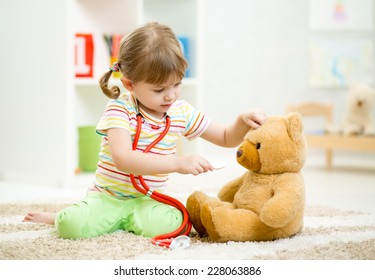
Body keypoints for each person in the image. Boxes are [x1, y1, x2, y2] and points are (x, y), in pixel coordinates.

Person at [23, 22, 266, 239]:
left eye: (177, 84)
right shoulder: (118, 110)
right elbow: (124, 159)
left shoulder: (181, 111)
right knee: (71, 227)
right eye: (159, 89)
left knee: (179, 223)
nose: (170, 95)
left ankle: (123, 221)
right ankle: (61, 217)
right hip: (108, 197)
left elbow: (225, 137)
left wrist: (242, 121)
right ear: (129, 84)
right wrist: (177, 163)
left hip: (147, 200)